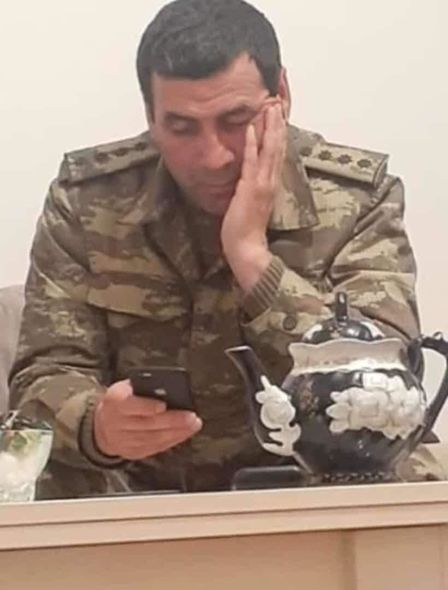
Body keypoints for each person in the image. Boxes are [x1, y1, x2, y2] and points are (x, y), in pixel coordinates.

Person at [9, 0, 444, 498]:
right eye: (181, 127)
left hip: (315, 486)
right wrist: (97, 425)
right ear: (150, 116)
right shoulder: (89, 200)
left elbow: (385, 390)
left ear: (281, 96)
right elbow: (41, 381)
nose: (212, 157)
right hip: (137, 492)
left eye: (236, 120)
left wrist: (253, 259)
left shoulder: (356, 200)